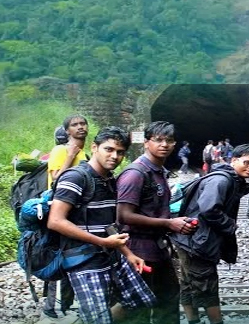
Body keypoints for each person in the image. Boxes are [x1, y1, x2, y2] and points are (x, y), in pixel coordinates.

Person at [47, 126, 156, 324]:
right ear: (94, 147)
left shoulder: (108, 180)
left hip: (111, 256)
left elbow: (108, 225)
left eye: (120, 152)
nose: (115, 156)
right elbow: (55, 221)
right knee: (99, 319)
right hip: (84, 261)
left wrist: (128, 254)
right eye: (109, 149)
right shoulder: (76, 177)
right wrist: (102, 242)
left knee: (141, 301)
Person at [170, 144, 249, 324]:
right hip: (197, 242)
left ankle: (192, 320)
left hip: (190, 239)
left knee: (188, 282)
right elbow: (209, 210)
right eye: (247, 162)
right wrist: (230, 226)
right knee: (207, 285)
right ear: (234, 160)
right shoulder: (222, 181)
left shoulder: (229, 179)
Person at [116, 122, 196, 324]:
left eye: (169, 140)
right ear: (146, 143)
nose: (164, 145)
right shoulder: (135, 173)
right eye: (158, 140)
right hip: (138, 249)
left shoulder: (159, 171)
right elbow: (124, 215)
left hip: (158, 248)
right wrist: (169, 223)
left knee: (168, 300)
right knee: (138, 308)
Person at [42, 114, 89, 319]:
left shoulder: (86, 153)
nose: (80, 127)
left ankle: (69, 302)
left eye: (82, 124)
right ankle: (50, 305)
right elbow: (55, 180)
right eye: (74, 125)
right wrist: (70, 156)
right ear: (67, 131)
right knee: (57, 257)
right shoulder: (60, 150)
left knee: (76, 256)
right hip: (60, 213)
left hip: (80, 214)